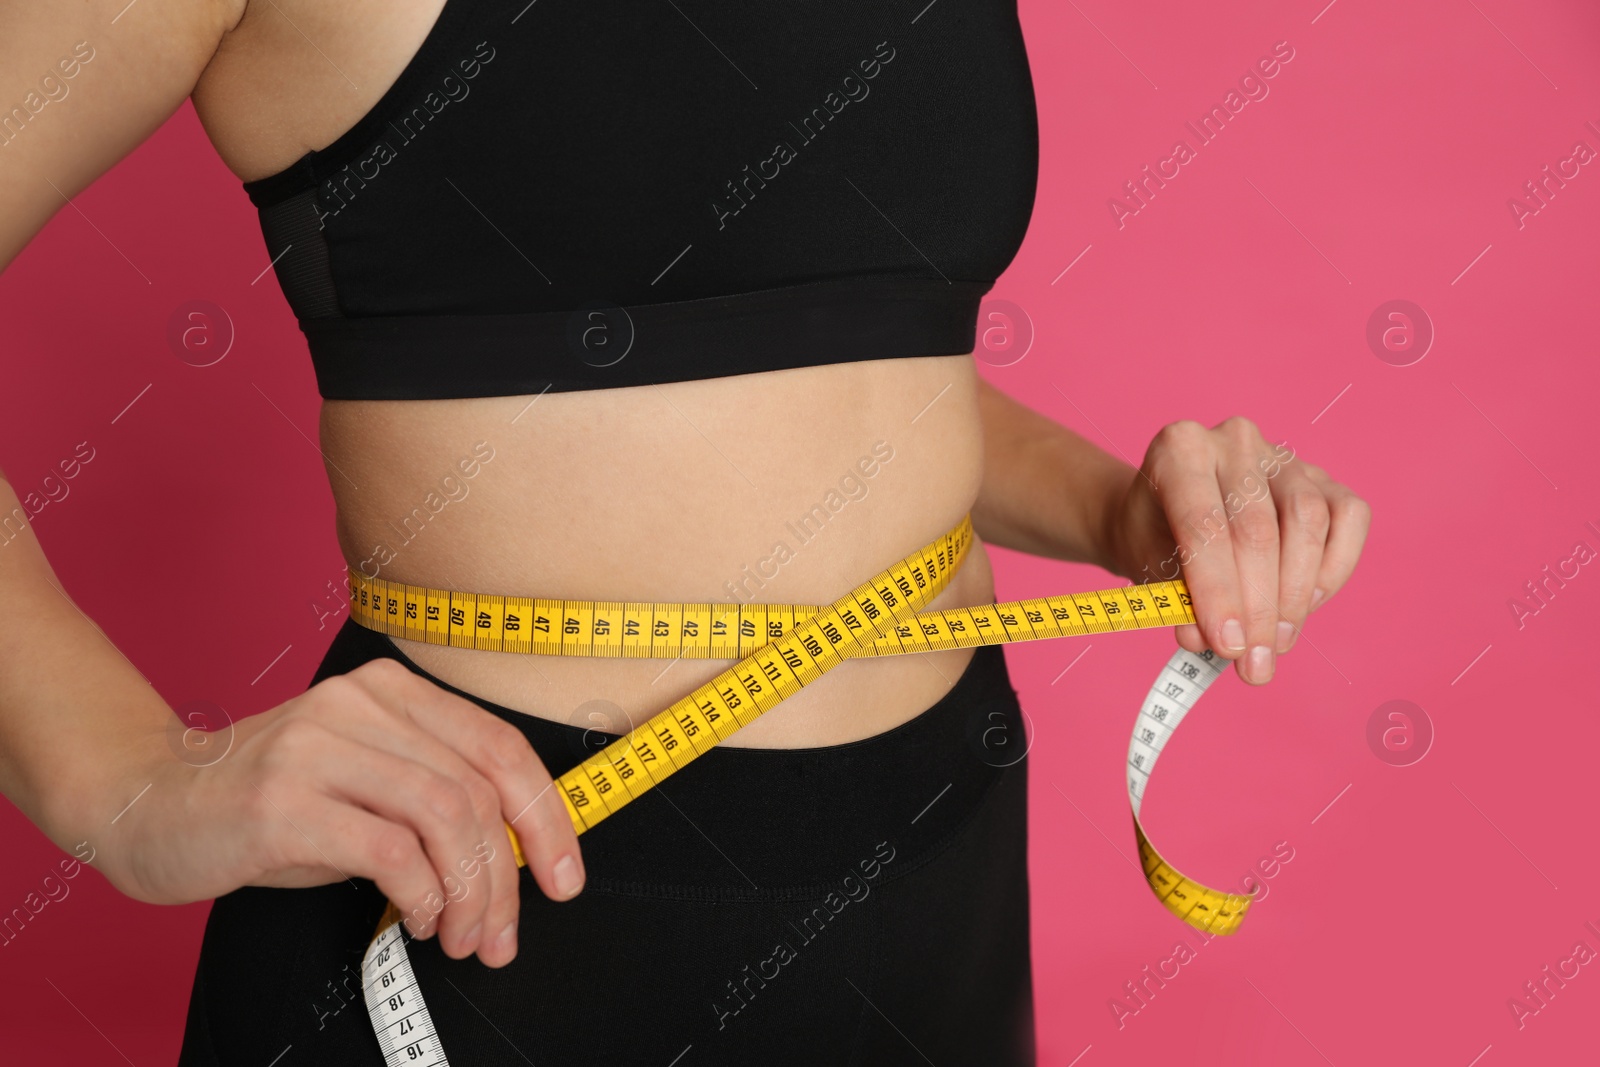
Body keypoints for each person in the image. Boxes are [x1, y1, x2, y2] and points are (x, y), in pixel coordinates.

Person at [0, 1, 1369, 1063]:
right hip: (496, 908)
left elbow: (831, 354)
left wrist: (1119, 509)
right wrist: (122, 780)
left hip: (938, 884)